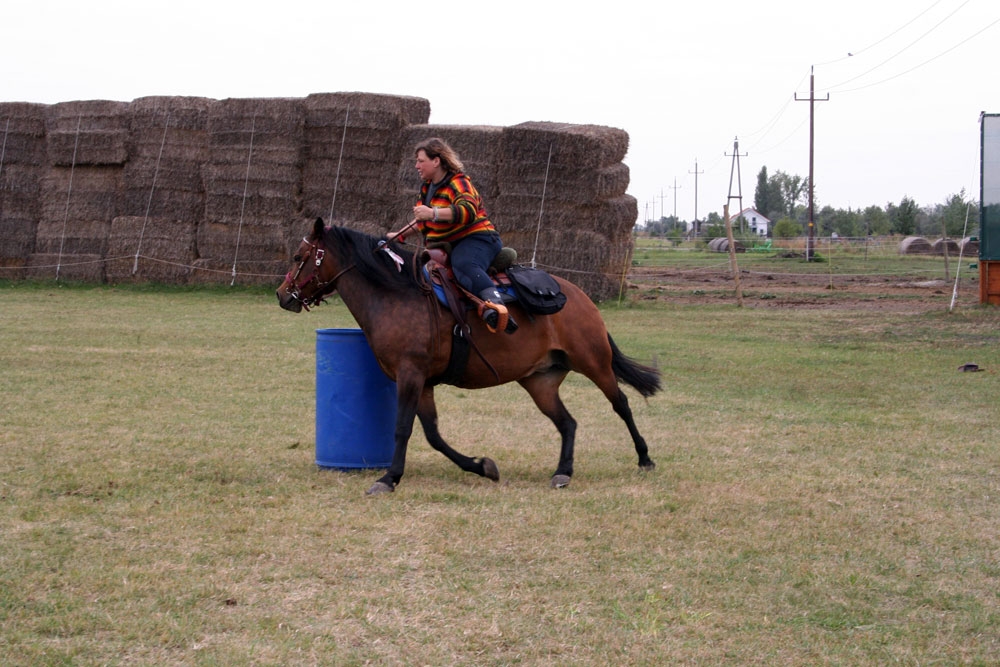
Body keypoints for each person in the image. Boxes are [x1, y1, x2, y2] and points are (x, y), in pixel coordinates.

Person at [387, 137, 516, 333]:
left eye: (421, 161)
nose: (416, 166)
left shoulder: (459, 182)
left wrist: (433, 213)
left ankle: (498, 309)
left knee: (464, 264)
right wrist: (400, 235)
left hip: (478, 238)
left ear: (436, 160)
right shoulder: (427, 187)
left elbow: (467, 211)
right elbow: (423, 218)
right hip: (449, 244)